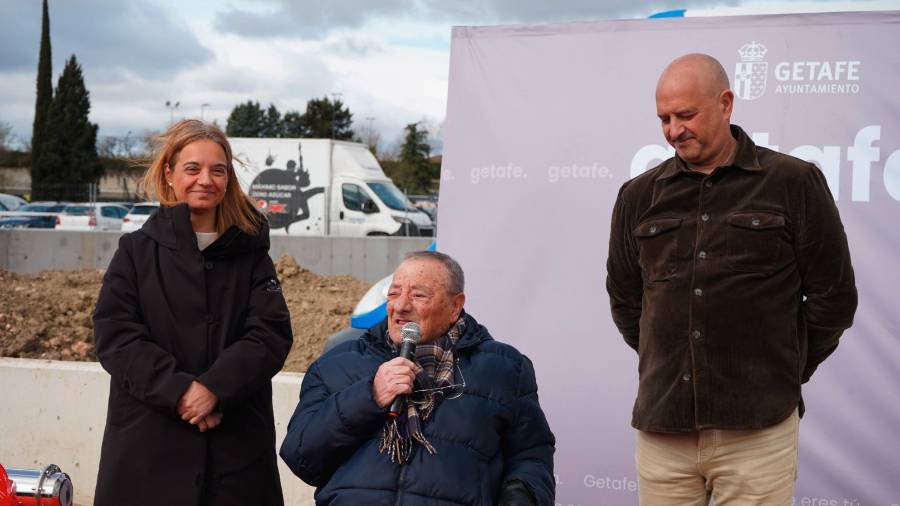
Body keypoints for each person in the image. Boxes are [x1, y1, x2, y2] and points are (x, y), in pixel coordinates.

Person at [606, 53, 858, 505]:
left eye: (686, 114)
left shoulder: (793, 182)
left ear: (725, 103)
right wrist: (668, 353)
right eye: (664, 118)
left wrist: (784, 368)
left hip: (758, 428)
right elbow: (626, 300)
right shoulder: (638, 196)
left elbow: (833, 298)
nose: (673, 129)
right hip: (664, 428)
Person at [92, 119, 293, 506]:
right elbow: (115, 335)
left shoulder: (252, 254)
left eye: (218, 170)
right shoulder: (136, 252)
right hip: (148, 449)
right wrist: (180, 391)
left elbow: (270, 334)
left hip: (235, 453)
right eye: (192, 168)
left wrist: (215, 388)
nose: (206, 179)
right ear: (169, 175)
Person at [280, 251, 555, 505]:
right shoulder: (337, 363)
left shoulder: (504, 369)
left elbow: (531, 457)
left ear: (455, 306)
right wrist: (369, 396)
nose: (400, 306)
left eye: (418, 296)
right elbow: (301, 457)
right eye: (394, 293)